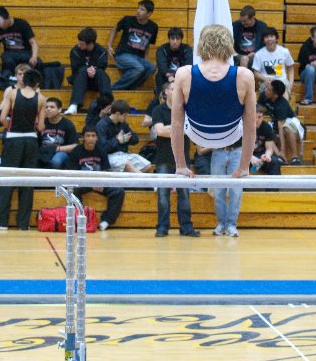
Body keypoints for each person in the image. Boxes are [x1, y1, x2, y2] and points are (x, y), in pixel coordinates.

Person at [171, 24, 257, 237]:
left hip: (197, 133)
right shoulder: (245, 75)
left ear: (201, 46)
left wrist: (181, 165)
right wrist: (244, 166)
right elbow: (250, 125)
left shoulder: (183, 73)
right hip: (230, 133)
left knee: (184, 119)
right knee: (242, 119)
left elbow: (176, 124)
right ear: (230, 45)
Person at [0, 69, 46, 231]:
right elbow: (40, 127)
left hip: (13, 140)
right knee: (27, 182)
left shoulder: (12, 94)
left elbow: (1, 118)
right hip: (31, 141)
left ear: (23, 80)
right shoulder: (41, 99)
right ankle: (23, 224)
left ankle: (1, 223)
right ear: (37, 84)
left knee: (6, 180)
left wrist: (11, 129)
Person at [151, 81, 200, 237]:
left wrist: (170, 128)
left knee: (184, 194)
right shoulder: (158, 110)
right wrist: (179, 128)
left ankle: (186, 227)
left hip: (183, 160)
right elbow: (159, 131)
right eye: (173, 89)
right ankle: (162, 227)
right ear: (166, 92)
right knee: (163, 195)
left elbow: (191, 130)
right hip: (163, 158)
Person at [67, 125, 124, 232]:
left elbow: (106, 171)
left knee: (118, 191)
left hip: (99, 182)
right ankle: (80, 218)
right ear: (83, 137)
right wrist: (90, 183)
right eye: (88, 136)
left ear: (97, 137)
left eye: (93, 136)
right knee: (73, 191)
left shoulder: (101, 151)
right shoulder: (76, 151)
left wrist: (100, 182)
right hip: (82, 183)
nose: (91, 139)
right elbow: (72, 174)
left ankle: (107, 220)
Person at [107, 0, 158, 91]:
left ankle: (131, 88)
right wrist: (109, 45)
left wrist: (146, 59)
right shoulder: (127, 20)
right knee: (139, 68)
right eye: (138, 8)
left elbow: (147, 44)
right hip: (123, 54)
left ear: (149, 13)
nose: (138, 11)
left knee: (151, 68)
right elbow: (115, 28)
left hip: (139, 57)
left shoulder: (153, 27)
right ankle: (113, 89)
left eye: (142, 9)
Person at [95, 99, 151, 173]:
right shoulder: (101, 125)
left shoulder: (123, 124)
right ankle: (146, 183)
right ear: (118, 114)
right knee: (128, 165)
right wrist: (117, 140)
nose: (126, 117)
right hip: (107, 157)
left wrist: (127, 138)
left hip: (122, 155)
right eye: (125, 115)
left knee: (147, 165)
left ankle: (130, 184)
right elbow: (102, 148)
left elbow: (136, 139)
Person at [65, 27, 112, 115]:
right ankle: (74, 104)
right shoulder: (75, 51)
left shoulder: (102, 52)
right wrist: (87, 70)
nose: (79, 45)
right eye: (78, 42)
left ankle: (107, 103)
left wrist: (94, 69)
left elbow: (102, 66)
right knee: (82, 70)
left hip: (96, 82)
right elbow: (75, 69)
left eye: (82, 43)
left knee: (101, 72)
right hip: (80, 81)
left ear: (90, 43)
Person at [261, 80, 304, 165]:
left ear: (275, 95)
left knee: (286, 128)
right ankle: (279, 156)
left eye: (269, 89)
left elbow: (281, 127)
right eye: (267, 88)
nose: (266, 90)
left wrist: (283, 150)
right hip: (275, 123)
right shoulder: (264, 96)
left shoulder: (282, 105)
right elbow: (258, 109)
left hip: (292, 123)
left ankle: (294, 157)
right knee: (266, 131)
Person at [0, 6, 39, 75]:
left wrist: (34, 57)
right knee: (8, 62)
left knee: (37, 63)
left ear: (8, 18)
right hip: (9, 54)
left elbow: (33, 43)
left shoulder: (22, 24)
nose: (1, 25)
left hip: (24, 53)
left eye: (3, 23)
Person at [252, 27, 295, 99]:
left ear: (276, 38)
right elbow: (256, 72)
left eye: (271, 36)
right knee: (268, 93)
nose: (269, 39)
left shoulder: (284, 51)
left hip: (282, 81)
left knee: (284, 94)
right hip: (266, 83)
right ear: (263, 40)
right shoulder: (258, 54)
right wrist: (264, 78)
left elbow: (290, 68)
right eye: (266, 37)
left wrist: (291, 83)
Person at [38, 97, 78, 169]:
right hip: (44, 151)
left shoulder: (68, 124)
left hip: (60, 152)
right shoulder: (42, 122)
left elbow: (74, 145)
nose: (48, 109)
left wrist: (56, 149)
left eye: (52, 107)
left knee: (56, 161)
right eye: (46, 107)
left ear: (59, 109)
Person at [155, 27, 193, 94]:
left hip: (181, 76)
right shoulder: (162, 49)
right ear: (169, 39)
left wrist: (177, 77)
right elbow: (161, 65)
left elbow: (188, 65)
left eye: (177, 39)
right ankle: (159, 97)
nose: (175, 41)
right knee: (159, 76)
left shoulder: (186, 49)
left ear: (181, 40)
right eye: (172, 38)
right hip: (166, 76)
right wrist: (169, 76)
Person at [251, 104, 285, 176]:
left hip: (261, 156)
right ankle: (241, 187)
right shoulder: (243, 127)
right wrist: (250, 157)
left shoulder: (267, 127)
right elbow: (239, 149)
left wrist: (267, 155)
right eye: (254, 117)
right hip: (246, 156)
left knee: (275, 162)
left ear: (263, 117)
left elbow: (269, 149)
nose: (256, 120)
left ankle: (272, 187)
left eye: (259, 117)